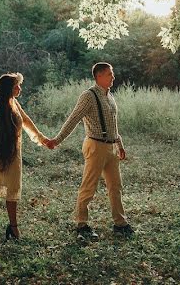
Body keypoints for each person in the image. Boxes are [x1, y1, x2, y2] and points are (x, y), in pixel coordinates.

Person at [46, 62, 134, 239]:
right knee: (89, 187)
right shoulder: (88, 96)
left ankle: (120, 223)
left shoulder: (110, 97)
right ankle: (81, 225)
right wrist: (57, 140)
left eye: (112, 74)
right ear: (99, 76)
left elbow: (113, 125)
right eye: (110, 74)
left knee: (115, 186)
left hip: (111, 147)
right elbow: (73, 119)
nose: (113, 77)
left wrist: (120, 144)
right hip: (95, 146)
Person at [0, 72, 51, 243]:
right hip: (2, 151)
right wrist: (5, 156)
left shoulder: (14, 103)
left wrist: (42, 138)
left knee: (13, 189)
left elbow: (26, 121)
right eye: (17, 86)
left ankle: (13, 227)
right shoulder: (3, 107)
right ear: (9, 88)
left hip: (14, 152)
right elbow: (1, 135)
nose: (20, 88)